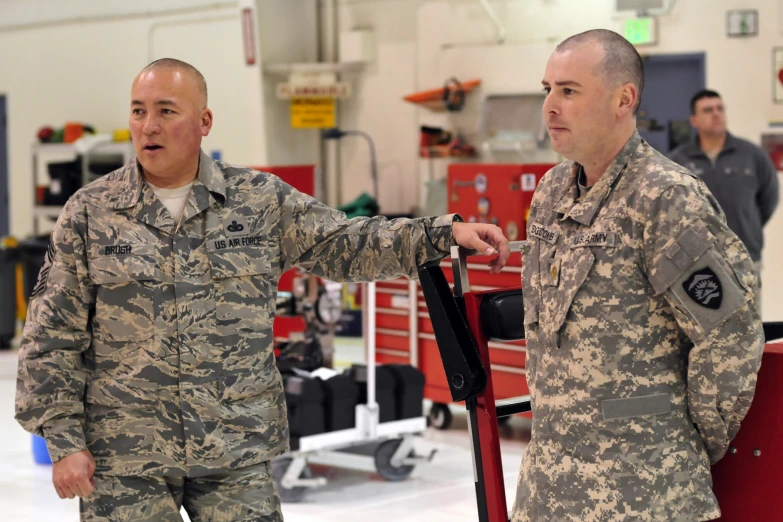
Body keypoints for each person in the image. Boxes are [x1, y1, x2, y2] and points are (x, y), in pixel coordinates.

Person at [15, 58, 510, 522]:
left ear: (204, 121)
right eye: (139, 111)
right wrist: (64, 440)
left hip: (236, 448)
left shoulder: (258, 201)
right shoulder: (91, 213)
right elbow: (52, 334)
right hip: (125, 455)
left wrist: (441, 235)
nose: (149, 126)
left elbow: (347, 242)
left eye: (167, 111)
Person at [512, 30, 764, 522]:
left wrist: (682, 446)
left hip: (645, 490)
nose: (550, 106)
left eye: (568, 90)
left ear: (623, 99)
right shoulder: (551, 191)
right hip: (550, 487)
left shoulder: (665, 198)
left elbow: (731, 336)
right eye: (547, 89)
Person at [669, 89, 779, 286]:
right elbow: (671, 208)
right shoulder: (678, 160)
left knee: (749, 316)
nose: (716, 113)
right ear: (694, 120)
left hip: (744, 258)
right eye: (708, 110)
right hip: (697, 262)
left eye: (720, 108)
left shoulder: (751, 154)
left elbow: (769, 199)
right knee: (703, 317)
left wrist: (747, 223)